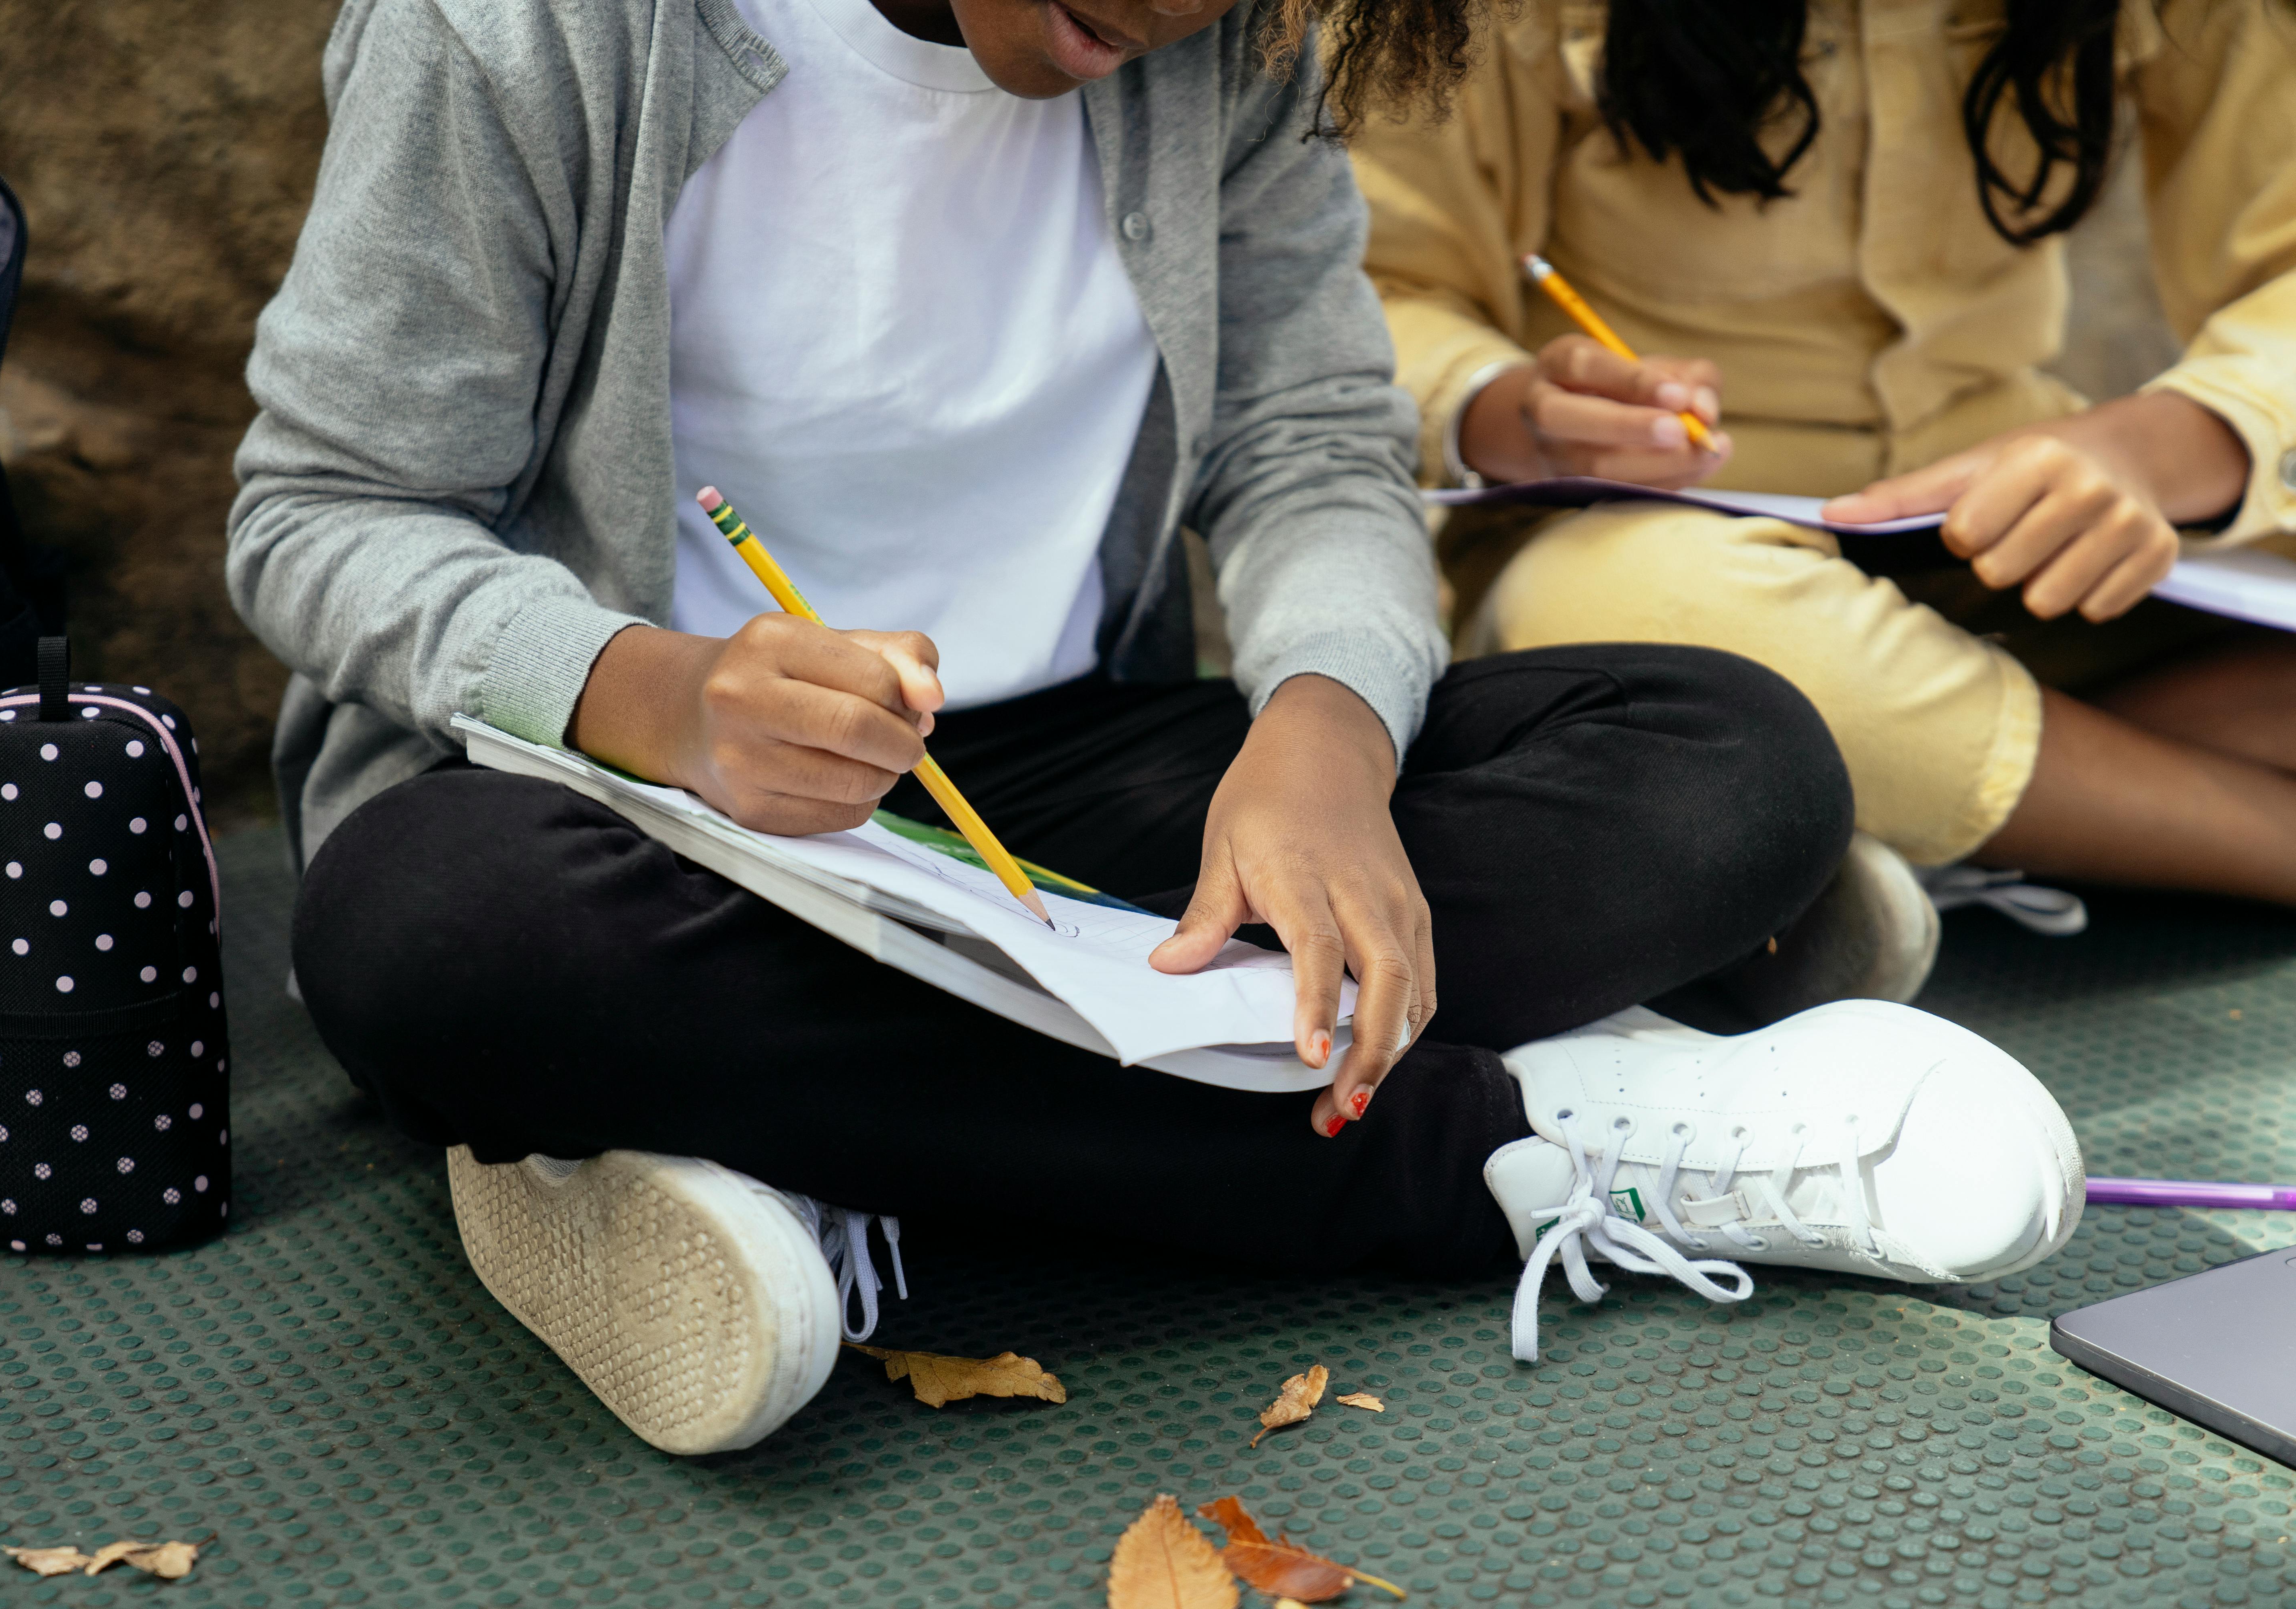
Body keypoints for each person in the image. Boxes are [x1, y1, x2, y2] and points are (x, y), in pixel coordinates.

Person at [228, 0, 2082, 1455]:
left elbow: (1310, 444)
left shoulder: (1239, 42)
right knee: (434, 936)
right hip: (634, 812)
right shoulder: (516, 25)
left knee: (1729, 759)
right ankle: (1514, 1136)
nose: (1185, 5)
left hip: (1059, 789)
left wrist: (1327, 741)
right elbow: (319, 513)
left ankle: (768, 1140)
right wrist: (657, 691)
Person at [1354, 0, 2296, 905]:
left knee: (1736, 733)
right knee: (1665, 627)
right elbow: (1364, 289)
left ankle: (1867, 830)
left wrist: (2165, 441)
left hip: (2016, 519)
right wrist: (1509, 405)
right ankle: (2258, 842)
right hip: (1662, 536)